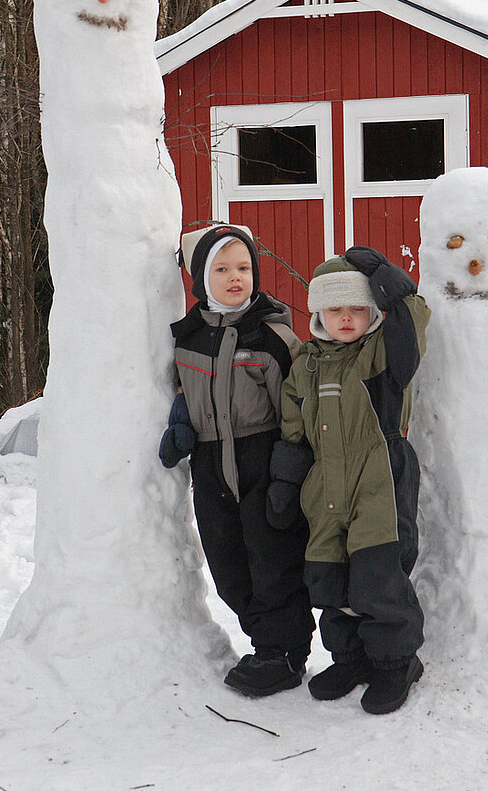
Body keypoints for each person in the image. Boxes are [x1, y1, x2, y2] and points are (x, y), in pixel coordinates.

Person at [267, 246, 430, 715]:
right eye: (334, 309)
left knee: (378, 575)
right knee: (329, 576)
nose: (345, 318)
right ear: (319, 311)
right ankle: (352, 657)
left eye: (356, 308)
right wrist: (285, 481)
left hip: (380, 478)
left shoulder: (383, 355)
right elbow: (293, 426)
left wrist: (386, 279)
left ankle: (397, 661)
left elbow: (413, 319)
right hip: (325, 487)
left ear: (371, 312)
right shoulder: (308, 363)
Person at [159, 224, 314, 697]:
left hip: (261, 459)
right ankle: (263, 641)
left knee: (273, 560)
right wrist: (182, 423)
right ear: (202, 279)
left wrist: (287, 473)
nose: (235, 278)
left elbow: (298, 410)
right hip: (209, 464)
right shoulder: (187, 336)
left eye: (243, 268)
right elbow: (184, 386)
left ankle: (284, 652)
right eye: (222, 269)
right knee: (227, 562)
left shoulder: (273, 337)